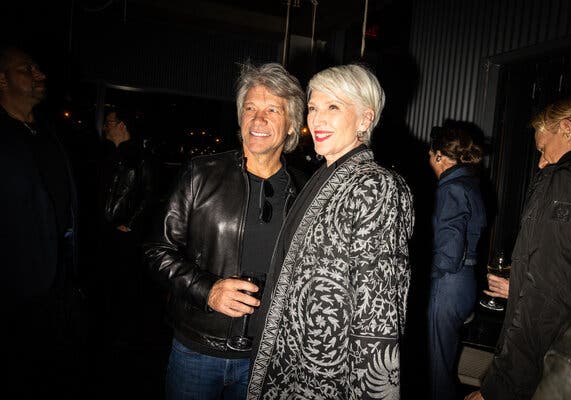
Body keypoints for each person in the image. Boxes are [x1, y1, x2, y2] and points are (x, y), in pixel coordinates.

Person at [247, 64, 415, 399]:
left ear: (365, 119)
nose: (318, 120)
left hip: (328, 378)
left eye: (333, 107)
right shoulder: (324, 176)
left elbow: (378, 313)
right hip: (297, 364)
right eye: (313, 108)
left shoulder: (374, 185)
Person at [143, 62, 306, 400]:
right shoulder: (201, 174)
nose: (257, 119)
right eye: (250, 108)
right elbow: (157, 250)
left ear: (291, 124)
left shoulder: (305, 192)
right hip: (198, 352)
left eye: (272, 110)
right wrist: (209, 290)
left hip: (267, 358)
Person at [466, 94, 571, 400]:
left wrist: (499, 388)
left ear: (567, 130)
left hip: (551, 369)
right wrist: (525, 279)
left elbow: (548, 301)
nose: (541, 162)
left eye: (542, 149)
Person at [0, 45, 85, 397]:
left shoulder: (50, 133)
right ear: (2, 80)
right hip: (13, 287)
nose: (40, 74)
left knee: (54, 371)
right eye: (27, 69)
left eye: (38, 67)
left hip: (59, 280)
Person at [427, 125, 487, 400]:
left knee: (436, 368)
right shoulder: (470, 185)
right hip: (465, 280)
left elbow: (448, 255)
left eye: (430, 154)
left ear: (439, 156)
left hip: (448, 284)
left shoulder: (451, 189)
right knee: (444, 363)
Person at [93, 107, 155, 344]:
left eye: (109, 122)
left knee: (124, 282)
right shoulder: (105, 155)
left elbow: (149, 195)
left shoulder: (142, 157)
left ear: (122, 125)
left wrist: (129, 224)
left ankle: (123, 332)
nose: (105, 126)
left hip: (125, 235)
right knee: (104, 281)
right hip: (104, 230)